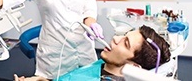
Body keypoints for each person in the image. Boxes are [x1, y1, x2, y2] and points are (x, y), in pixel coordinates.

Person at [13, 25, 171, 81]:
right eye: (124, 35)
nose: (116, 38)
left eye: (125, 43)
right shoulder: (105, 64)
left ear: (134, 65)